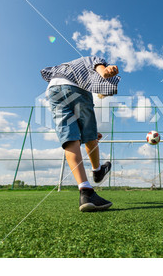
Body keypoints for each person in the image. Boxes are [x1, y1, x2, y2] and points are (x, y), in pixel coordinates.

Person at [41, 56, 120, 212]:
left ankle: (85, 190)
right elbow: (99, 67)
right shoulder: (94, 59)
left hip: (53, 90)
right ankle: (97, 171)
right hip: (75, 88)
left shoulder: (67, 65)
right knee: (90, 136)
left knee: (70, 139)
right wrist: (105, 71)